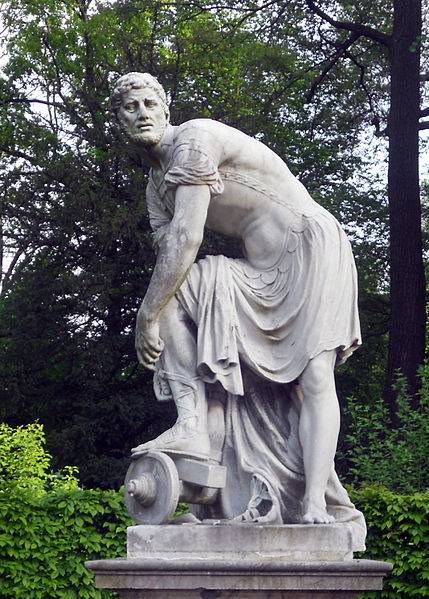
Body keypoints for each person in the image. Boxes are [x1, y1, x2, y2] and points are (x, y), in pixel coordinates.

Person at [110, 72, 361, 525]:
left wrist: (144, 317)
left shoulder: (194, 139)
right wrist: (155, 311)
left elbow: (187, 238)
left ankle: (316, 506)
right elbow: (172, 263)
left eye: (150, 103)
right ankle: (193, 427)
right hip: (257, 269)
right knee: (172, 297)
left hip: (309, 247)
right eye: (131, 108)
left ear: (167, 110)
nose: (142, 113)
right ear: (119, 121)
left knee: (315, 377)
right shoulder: (156, 187)